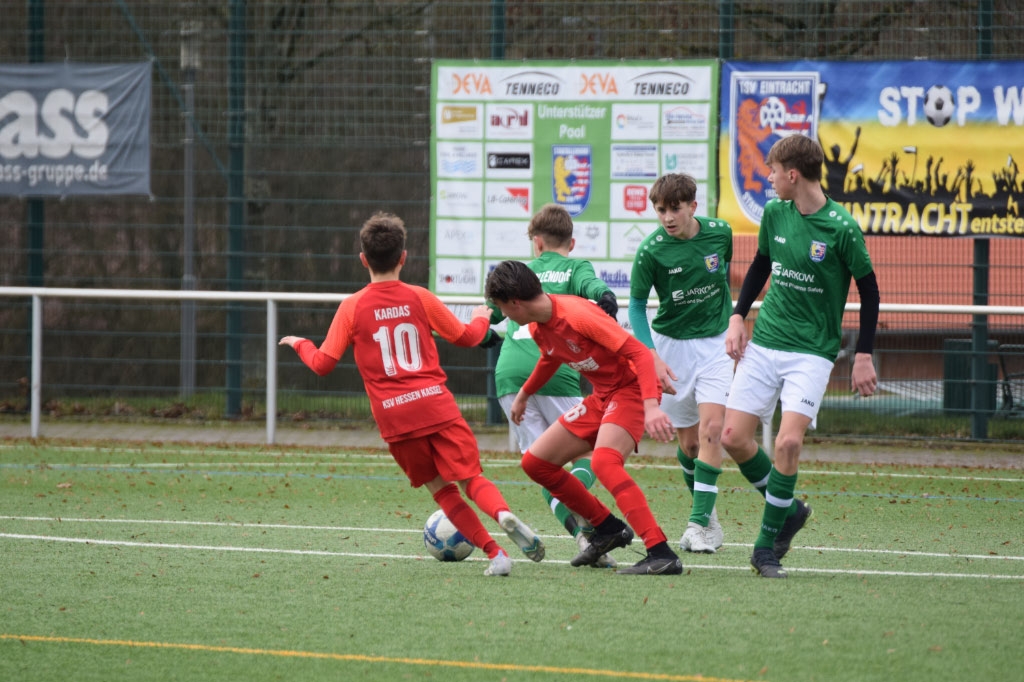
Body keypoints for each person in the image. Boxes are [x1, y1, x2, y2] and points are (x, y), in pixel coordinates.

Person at [279, 211, 545, 577]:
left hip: (395, 417)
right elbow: (467, 337)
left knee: (442, 490)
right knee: (470, 478)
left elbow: (323, 364)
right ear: (403, 257)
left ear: (363, 260)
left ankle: (496, 554)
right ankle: (502, 514)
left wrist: (300, 343)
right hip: (436, 405)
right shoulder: (419, 297)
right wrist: (481, 316)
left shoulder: (352, 306)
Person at [722, 135, 879, 578]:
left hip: (812, 352)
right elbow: (761, 264)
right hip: (766, 341)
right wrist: (738, 317)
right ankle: (789, 511)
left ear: (792, 174)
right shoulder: (775, 213)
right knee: (732, 438)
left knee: (788, 443)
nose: (768, 179)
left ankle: (764, 549)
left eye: (772, 171)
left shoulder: (842, 228)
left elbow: (869, 291)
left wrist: (863, 355)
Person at [485, 259, 682, 576]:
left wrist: (651, 407)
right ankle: (608, 528)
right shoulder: (537, 326)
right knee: (536, 463)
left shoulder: (578, 315)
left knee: (604, 462)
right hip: (602, 396)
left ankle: (661, 552)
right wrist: (523, 394)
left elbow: (639, 353)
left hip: (631, 389)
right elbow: (550, 358)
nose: (503, 314)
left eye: (501, 307)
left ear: (515, 302)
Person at [489, 204, 620, 568]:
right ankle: (593, 527)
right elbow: (595, 289)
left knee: (541, 465)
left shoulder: (521, 273)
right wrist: (606, 298)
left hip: (508, 376)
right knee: (589, 455)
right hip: (555, 371)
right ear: (571, 243)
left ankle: (585, 538)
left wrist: (481, 331)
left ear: (537, 242)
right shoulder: (575, 267)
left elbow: (489, 313)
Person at [628, 173, 733, 554]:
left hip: (717, 344)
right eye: (660, 210)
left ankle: (697, 524)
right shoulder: (650, 251)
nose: (667, 217)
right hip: (672, 349)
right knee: (689, 445)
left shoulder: (721, 233)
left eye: (675, 209)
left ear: (693, 206)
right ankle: (711, 518)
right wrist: (651, 355)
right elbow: (636, 306)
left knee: (713, 429)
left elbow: (722, 277)